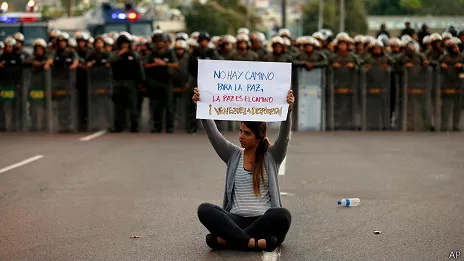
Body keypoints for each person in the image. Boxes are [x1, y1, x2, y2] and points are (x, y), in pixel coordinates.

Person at [192, 87, 294, 252]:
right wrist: (200, 105)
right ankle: (251, 243)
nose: (241, 136)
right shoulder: (233, 154)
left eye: (247, 133)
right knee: (205, 209)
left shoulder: (272, 156)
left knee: (282, 215)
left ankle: (226, 240)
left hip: (264, 220)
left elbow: (284, 137)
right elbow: (213, 134)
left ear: (258, 138)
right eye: (240, 131)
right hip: (235, 220)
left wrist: (288, 111)